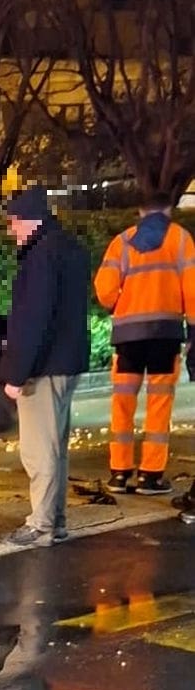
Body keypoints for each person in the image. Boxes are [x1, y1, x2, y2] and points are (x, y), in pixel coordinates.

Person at [2, 186, 90, 547]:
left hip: (44, 366)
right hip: (68, 362)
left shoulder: (40, 257)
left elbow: (33, 319)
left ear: (27, 220)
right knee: (57, 447)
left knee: (39, 449)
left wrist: (16, 374)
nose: (11, 231)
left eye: (13, 223)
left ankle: (41, 525)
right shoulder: (71, 249)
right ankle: (56, 520)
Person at [94, 194, 195, 496]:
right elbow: (192, 289)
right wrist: (192, 330)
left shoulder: (122, 241)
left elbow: (104, 289)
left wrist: (119, 305)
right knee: (159, 403)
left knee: (122, 405)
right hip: (165, 334)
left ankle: (119, 473)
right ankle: (150, 476)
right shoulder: (180, 239)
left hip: (128, 337)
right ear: (169, 210)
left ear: (140, 210)